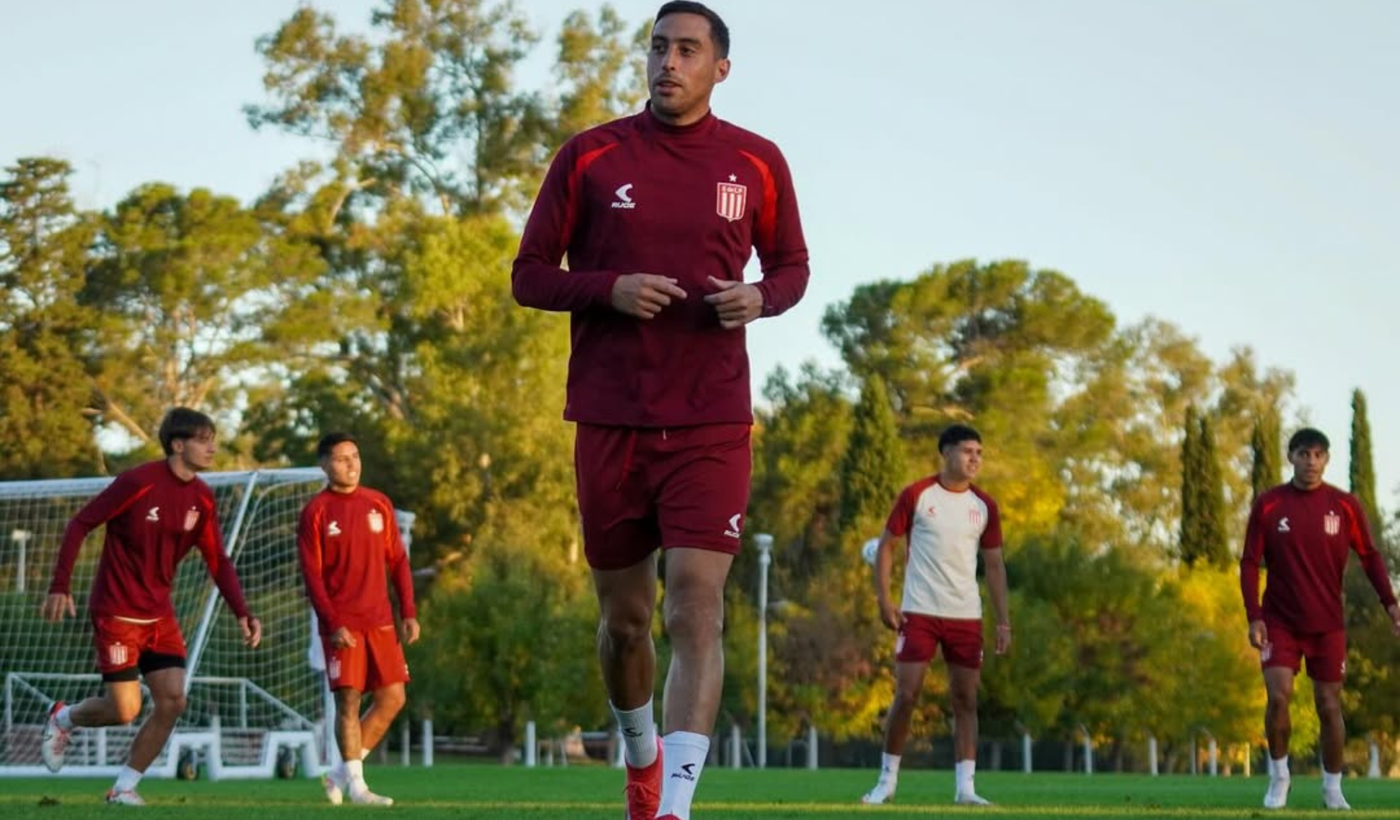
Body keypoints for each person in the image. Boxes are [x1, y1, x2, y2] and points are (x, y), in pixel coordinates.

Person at [511, 2, 808, 817]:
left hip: (713, 421)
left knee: (695, 607)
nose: (667, 62)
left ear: (720, 68)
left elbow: (792, 268)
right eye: (657, 47)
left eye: (686, 50)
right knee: (628, 624)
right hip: (610, 419)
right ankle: (640, 752)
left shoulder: (756, 161)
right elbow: (528, 274)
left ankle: (673, 806)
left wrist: (761, 297)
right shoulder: (591, 156)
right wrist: (607, 288)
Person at [39, 407, 262, 805]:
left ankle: (123, 788)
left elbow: (218, 560)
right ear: (178, 445)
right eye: (203, 439)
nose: (212, 446)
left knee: (174, 701)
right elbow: (80, 524)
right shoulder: (137, 481)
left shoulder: (202, 499)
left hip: (159, 615)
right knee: (124, 709)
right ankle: (63, 718)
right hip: (116, 611)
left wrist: (243, 611)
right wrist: (60, 586)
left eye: (213, 438)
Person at [1240, 427, 1400, 811]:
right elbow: (1249, 562)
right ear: (1291, 458)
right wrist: (1254, 616)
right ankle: (1280, 780)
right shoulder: (1269, 505)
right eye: (1302, 454)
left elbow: (1370, 555)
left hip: (1328, 624)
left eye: (1317, 455)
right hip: (1279, 621)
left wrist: (1390, 604)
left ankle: (1332, 787)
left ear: (1326, 460)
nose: (1310, 461)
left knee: (1328, 705)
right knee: (1278, 697)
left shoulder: (1344, 506)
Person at [861, 424, 1010, 807]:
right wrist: (884, 600)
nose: (974, 458)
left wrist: (1003, 620)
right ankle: (886, 783)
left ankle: (966, 789)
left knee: (965, 699)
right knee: (907, 694)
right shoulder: (917, 494)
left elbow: (994, 566)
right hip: (919, 611)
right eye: (966, 451)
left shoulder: (985, 506)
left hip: (966, 615)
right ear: (945, 453)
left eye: (979, 452)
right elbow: (885, 547)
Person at [297, 432, 420, 806]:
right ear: (324, 465)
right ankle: (357, 786)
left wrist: (409, 611)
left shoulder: (378, 504)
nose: (351, 463)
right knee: (348, 702)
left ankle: (339, 775)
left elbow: (397, 561)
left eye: (355, 455)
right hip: (342, 625)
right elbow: (312, 575)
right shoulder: (316, 512)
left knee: (393, 698)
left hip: (380, 620)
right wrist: (332, 623)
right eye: (341, 458)